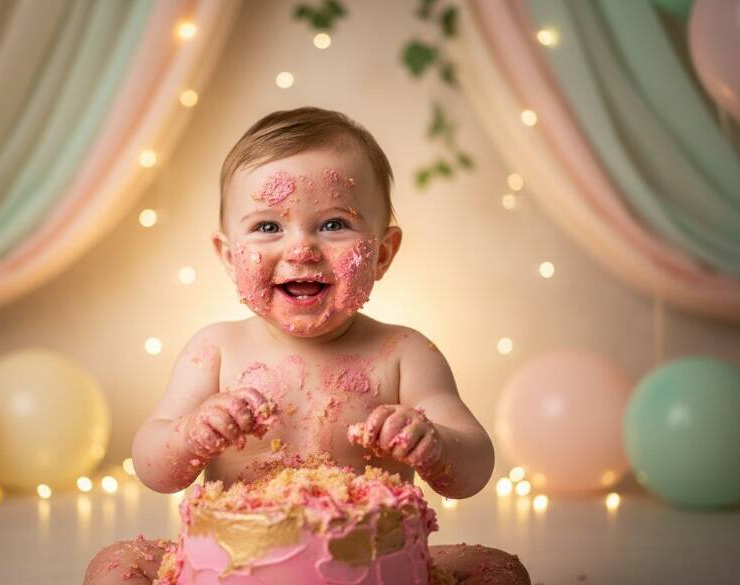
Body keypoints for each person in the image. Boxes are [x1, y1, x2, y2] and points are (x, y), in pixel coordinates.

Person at [84, 107, 531, 585]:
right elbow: (154, 467)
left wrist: (434, 443)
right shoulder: (215, 350)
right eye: (269, 227)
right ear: (229, 256)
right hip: (235, 570)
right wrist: (191, 434)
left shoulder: (404, 354)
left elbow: (474, 469)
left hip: (368, 570)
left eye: (334, 224)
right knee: (115, 565)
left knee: (500, 571)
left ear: (382, 254)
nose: (301, 250)